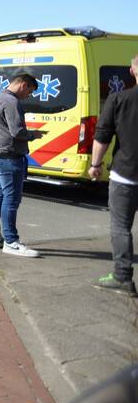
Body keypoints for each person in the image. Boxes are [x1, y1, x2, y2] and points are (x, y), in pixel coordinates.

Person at [89, 54, 137, 296]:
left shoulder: (118, 99)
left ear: (132, 70)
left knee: (120, 227)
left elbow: (102, 137)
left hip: (125, 175)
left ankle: (122, 277)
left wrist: (95, 165)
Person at [0, 72, 47, 257]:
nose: (28, 96)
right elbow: (17, 132)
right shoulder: (12, 102)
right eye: (30, 91)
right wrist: (33, 135)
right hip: (9, 155)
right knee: (11, 199)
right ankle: (11, 242)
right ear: (24, 85)